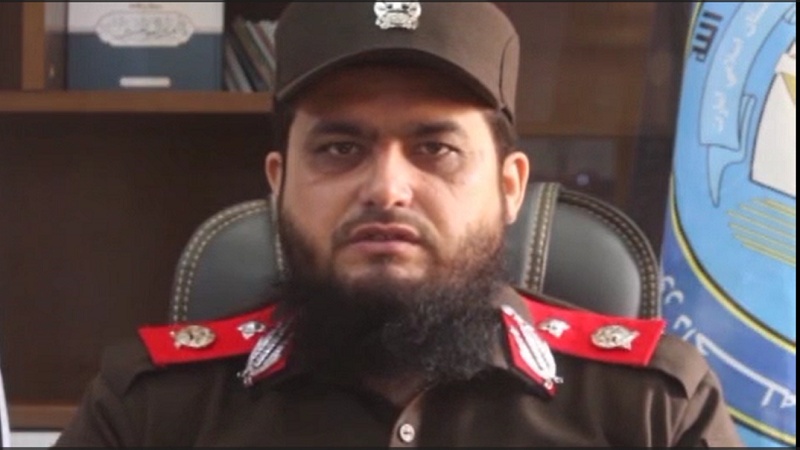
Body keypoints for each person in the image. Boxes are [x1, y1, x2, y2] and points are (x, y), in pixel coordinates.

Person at [54, 2, 743, 447]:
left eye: (434, 149)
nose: (386, 189)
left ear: (510, 188)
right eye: (339, 149)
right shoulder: (149, 412)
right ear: (278, 183)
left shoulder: (653, 410)